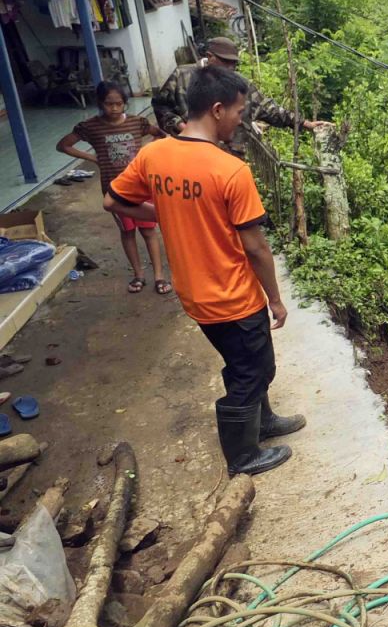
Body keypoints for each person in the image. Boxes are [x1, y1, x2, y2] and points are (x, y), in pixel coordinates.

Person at [105, 66, 306, 476]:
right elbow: (255, 246)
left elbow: (113, 201)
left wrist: (160, 212)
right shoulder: (229, 170)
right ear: (217, 110)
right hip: (233, 296)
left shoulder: (154, 153)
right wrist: (276, 299)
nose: (241, 119)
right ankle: (243, 456)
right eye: (239, 111)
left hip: (194, 295)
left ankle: (261, 422)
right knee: (255, 369)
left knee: (241, 363)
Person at [57, 82, 172, 295]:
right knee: (127, 231)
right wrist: (93, 157)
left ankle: (159, 276)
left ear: (125, 103)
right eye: (109, 104)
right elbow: (63, 145)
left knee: (149, 231)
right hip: (114, 190)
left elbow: (161, 134)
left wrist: (147, 153)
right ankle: (138, 275)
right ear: (100, 103)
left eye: (119, 104)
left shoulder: (138, 123)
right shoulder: (91, 127)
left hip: (141, 188)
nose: (115, 108)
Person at [152, 36, 328, 158]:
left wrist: (304, 123)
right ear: (210, 57)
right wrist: (179, 126)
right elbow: (160, 106)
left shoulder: (240, 85)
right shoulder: (183, 76)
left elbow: (268, 108)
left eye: (234, 64)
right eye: (225, 62)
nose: (230, 68)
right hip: (190, 155)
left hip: (230, 158)